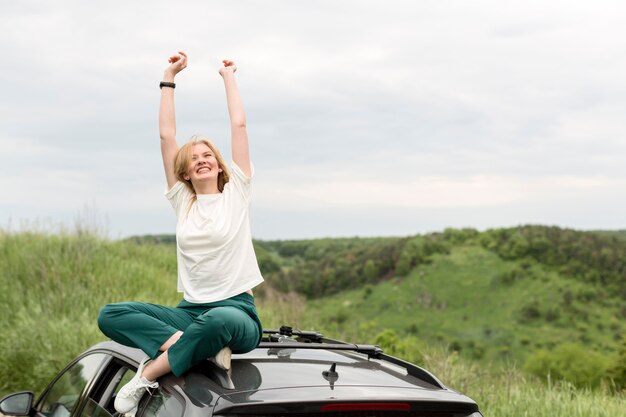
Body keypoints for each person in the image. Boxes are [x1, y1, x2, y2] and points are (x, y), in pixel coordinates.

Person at [97, 51, 264, 415]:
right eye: (193, 158)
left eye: (208, 155)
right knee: (110, 314)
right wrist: (168, 78)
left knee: (221, 320)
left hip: (236, 312)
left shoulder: (237, 193)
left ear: (220, 165)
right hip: (190, 313)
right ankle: (195, 345)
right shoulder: (182, 201)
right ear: (185, 172)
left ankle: (150, 372)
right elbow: (165, 135)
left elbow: (239, 127)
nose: (202, 159)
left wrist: (228, 76)